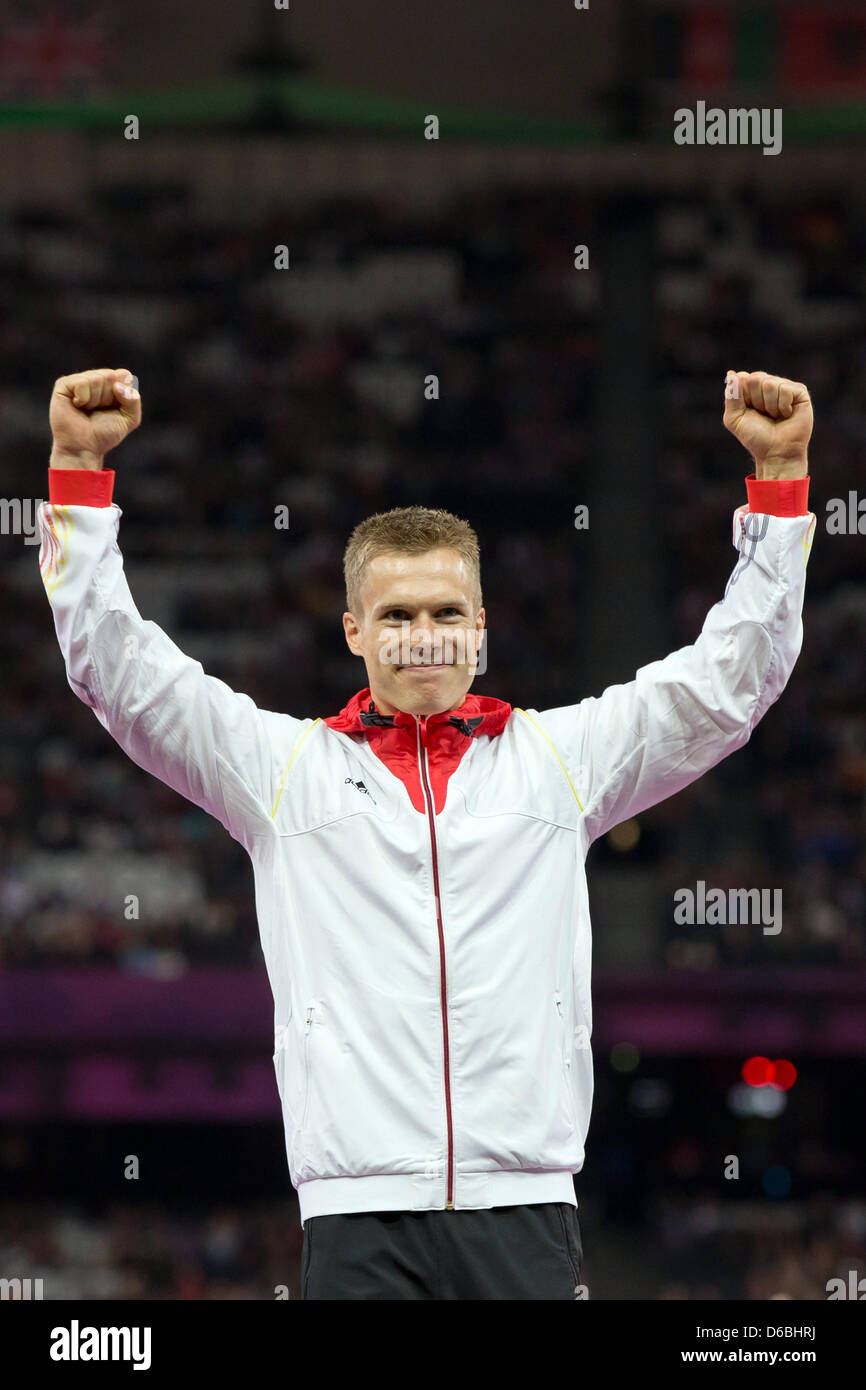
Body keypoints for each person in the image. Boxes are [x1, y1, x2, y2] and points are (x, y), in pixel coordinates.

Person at [38, 366, 815, 1299]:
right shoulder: (283, 775)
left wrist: (780, 484)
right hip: (355, 1217)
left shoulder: (558, 763)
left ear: (480, 629)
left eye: (447, 614)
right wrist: (79, 469)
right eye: (396, 616)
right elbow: (119, 673)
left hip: (525, 1207)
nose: (424, 635)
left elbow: (730, 683)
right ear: (354, 632)